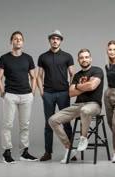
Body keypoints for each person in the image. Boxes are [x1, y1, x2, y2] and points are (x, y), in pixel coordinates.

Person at [49, 48, 104, 163]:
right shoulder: (77, 75)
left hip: (94, 105)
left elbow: (92, 86)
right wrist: (85, 85)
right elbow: (71, 93)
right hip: (77, 105)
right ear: (78, 60)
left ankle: (83, 138)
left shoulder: (97, 70)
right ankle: (69, 148)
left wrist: (78, 86)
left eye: (86, 57)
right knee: (53, 120)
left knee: (85, 110)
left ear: (90, 58)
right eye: (81, 58)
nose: (84, 59)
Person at [0, 31, 38, 163]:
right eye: (15, 39)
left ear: (23, 42)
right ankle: (6, 152)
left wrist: (33, 92)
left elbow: (33, 77)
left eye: (20, 39)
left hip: (26, 95)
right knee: (7, 124)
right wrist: (3, 92)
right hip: (11, 95)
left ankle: (24, 153)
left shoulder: (28, 58)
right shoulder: (4, 58)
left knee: (25, 125)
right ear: (11, 42)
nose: (18, 41)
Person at [37, 30, 75, 161]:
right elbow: (39, 76)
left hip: (64, 93)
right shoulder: (43, 57)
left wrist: (71, 89)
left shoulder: (67, 56)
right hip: (48, 93)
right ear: (49, 40)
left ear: (60, 41)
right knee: (48, 123)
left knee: (67, 123)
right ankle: (48, 152)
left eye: (57, 39)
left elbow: (72, 75)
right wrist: (41, 91)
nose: (55, 41)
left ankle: (71, 151)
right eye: (53, 38)